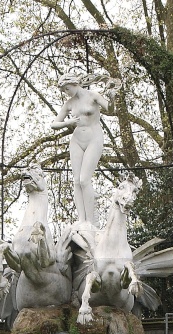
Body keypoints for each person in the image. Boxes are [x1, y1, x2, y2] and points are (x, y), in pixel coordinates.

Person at [50, 72, 118, 226]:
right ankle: (81, 220)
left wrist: (113, 98)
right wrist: (69, 123)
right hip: (77, 140)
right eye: (64, 90)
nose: (66, 92)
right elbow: (54, 124)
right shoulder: (69, 104)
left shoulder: (93, 96)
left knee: (84, 180)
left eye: (67, 89)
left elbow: (111, 110)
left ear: (74, 84)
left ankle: (90, 222)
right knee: (76, 182)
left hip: (94, 138)